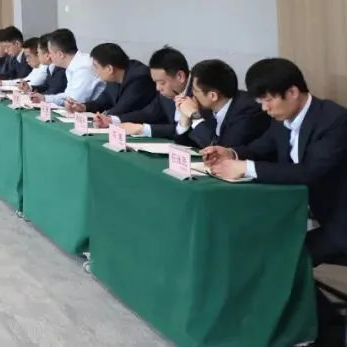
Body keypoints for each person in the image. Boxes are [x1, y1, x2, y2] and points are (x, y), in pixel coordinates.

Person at [202, 58, 347, 345]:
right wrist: (231, 153)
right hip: (317, 215)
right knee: (268, 250)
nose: (264, 108)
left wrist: (246, 168)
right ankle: (323, 321)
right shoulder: (284, 119)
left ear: (292, 92)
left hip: (341, 222)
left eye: (268, 100)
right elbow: (263, 147)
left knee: (283, 257)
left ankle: (327, 330)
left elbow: (310, 172)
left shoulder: (334, 120)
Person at [170, 59, 268, 149]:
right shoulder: (207, 107)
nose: (191, 95)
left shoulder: (247, 111)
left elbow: (222, 150)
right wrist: (184, 119)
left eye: (195, 90)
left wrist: (194, 115)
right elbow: (187, 146)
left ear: (213, 96)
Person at [102, 46, 192, 136]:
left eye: (162, 82)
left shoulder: (197, 91)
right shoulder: (166, 94)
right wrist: (113, 120)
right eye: (155, 82)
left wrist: (143, 129)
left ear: (180, 76)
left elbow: (189, 131)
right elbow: (148, 113)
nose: (158, 88)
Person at [68, 43, 156, 116]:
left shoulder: (139, 79)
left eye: (96, 66)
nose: (94, 70)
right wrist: (83, 107)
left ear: (109, 69)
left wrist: (103, 117)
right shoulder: (114, 77)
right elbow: (102, 102)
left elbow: (122, 110)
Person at [31, 29, 103, 107]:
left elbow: (74, 102)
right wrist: (44, 98)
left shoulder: (83, 68)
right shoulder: (73, 65)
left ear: (60, 54)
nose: (49, 56)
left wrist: (46, 99)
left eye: (50, 53)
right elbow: (67, 95)